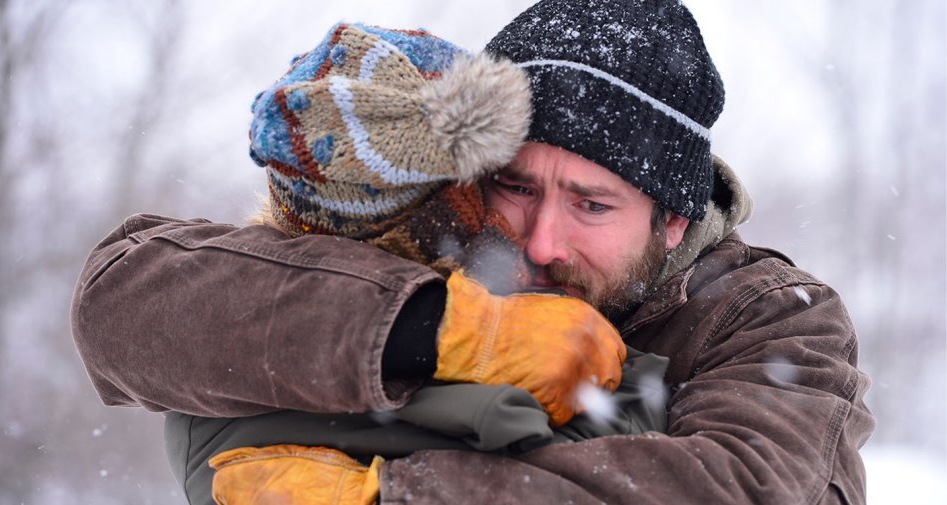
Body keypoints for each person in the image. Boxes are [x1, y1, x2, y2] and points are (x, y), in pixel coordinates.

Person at [70, 0, 875, 504]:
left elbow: (747, 489)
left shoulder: (767, 319)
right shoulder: (445, 240)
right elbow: (123, 305)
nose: (541, 238)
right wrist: (437, 328)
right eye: (517, 186)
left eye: (592, 203)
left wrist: (388, 495)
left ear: (672, 219)